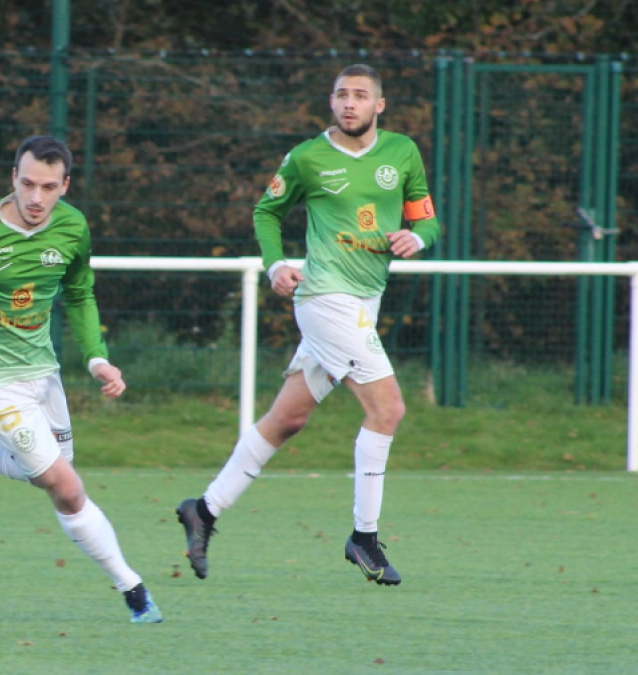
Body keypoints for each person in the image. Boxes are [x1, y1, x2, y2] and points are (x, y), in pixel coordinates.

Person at [176, 64, 441, 586]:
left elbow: (426, 218)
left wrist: (418, 237)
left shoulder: (402, 152)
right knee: (387, 408)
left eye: (360, 95)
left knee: (288, 419)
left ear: (379, 105)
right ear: (331, 101)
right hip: (324, 298)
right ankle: (364, 537)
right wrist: (275, 264)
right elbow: (266, 212)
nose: (349, 103)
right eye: (342, 94)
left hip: (366, 301)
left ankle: (203, 510)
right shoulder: (307, 157)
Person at [0, 135, 162, 624]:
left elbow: (79, 293)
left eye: (49, 187)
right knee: (67, 487)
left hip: (42, 370)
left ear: (66, 186)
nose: (37, 198)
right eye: (29, 184)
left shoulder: (73, 227)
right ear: (13, 178)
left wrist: (97, 360)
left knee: (48, 472)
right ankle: (133, 589)